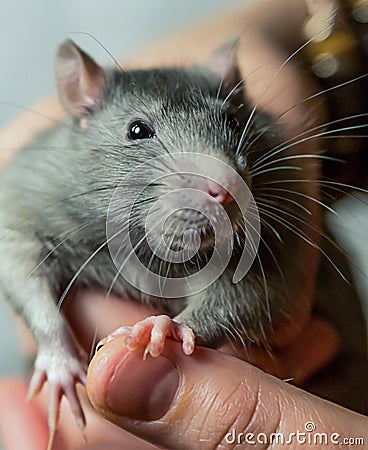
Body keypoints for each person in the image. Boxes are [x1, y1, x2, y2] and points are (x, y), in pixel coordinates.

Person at [0, 0, 367, 448]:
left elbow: (262, 290)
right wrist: (53, 341)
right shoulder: (39, 180)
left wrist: (187, 330)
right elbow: (14, 237)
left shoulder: (274, 181)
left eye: (227, 123)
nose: (221, 183)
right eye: (139, 133)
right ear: (81, 98)